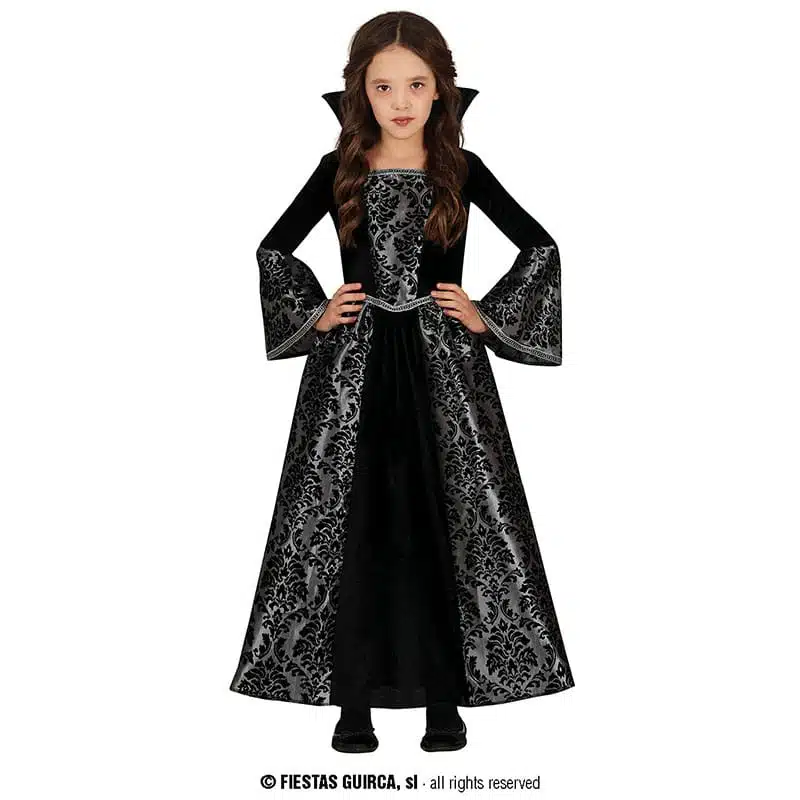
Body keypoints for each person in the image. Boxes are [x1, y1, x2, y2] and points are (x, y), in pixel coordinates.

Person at [229, 10, 574, 753]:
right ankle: (352, 701)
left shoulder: (461, 171)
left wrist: (483, 315)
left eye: (416, 84)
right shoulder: (340, 172)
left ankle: (444, 701)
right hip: (350, 374)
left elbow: (541, 247)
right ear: (360, 91)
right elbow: (273, 249)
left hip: (443, 370)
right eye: (383, 86)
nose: (400, 101)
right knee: (351, 522)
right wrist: (317, 314)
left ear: (440, 89)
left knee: (447, 520)